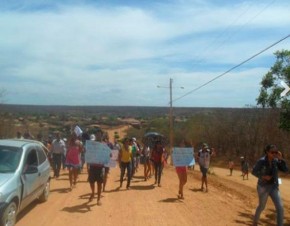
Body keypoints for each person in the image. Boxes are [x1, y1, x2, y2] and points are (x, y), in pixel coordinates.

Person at [252, 144, 288, 226]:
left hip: (274, 187)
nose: (274, 154)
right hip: (263, 187)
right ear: (267, 152)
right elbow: (253, 171)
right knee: (262, 206)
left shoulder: (276, 161)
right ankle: (255, 223)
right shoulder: (261, 161)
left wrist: (281, 159)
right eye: (272, 152)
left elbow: (285, 170)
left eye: (276, 152)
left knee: (280, 208)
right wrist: (263, 176)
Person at [87, 129, 108, 205]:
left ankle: (98, 198)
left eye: (99, 134)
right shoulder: (92, 144)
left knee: (99, 183)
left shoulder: (104, 144)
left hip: (100, 166)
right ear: (95, 135)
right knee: (91, 182)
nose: (98, 136)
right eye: (97, 134)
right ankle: (93, 192)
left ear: (102, 135)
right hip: (92, 166)